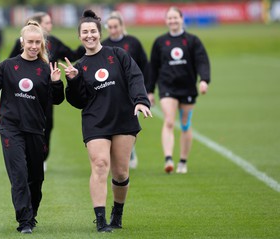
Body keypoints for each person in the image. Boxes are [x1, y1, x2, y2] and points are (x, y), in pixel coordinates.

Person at [59, 10, 152, 233]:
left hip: (123, 118)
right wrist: (72, 80)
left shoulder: (117, 54)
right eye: (85, 32)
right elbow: (78, 101)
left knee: (120, 172)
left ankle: (117, 214)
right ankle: (100, 220)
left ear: (99, 33)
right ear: (79, 36)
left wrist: (141, 100)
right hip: (96, 122)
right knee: (100, 165)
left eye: (93, 31)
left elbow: (135, 77)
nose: (89, 35)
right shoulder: (79, 66)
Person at [0, 21, 64, 234]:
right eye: (30, 42)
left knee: (36, 179)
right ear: (22, 42)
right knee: (19, 175)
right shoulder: (8, 65)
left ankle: (32, 213)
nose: (33, 46)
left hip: (36, 130)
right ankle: (24, 221)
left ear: (42, 44)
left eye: (38, 42)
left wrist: (56, 82)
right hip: (11, 129)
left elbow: (57, 100)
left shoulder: (46, 69)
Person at [0, 11, 85, 171]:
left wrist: (86, 43)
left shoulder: (54, 42)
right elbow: (9, 70)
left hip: (46, 91)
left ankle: (41, 157)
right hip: (21, 96)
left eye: (50, 23)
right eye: (47, 23)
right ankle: (26, 159)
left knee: (47, 126)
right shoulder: (17, 52)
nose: (50, 25)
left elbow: (73, 55)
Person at [147, 6, 210, 174]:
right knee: (168, 121)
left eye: (176, 18)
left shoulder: (192, 40)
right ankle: (168, 158)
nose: (173, 21)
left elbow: (202, 61)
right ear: (166, 21)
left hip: (188, 88)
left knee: (185, 125)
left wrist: (204, 80)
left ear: (182, 19)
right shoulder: (160, 42)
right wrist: (150, 90)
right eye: (170, 18)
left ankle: (183, 161)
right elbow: (153, 67)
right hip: (167, 87)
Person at [102, 11, 150, 169]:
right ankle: (114, 153)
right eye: (110, 27)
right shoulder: (104, 45)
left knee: (129, 121)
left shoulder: (133, 42)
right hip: (111, 90)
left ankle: (130, 149)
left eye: (116, 26)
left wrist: (147, 91)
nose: (113, 30)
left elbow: (144, 65)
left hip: (130, 89)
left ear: (122, 26)